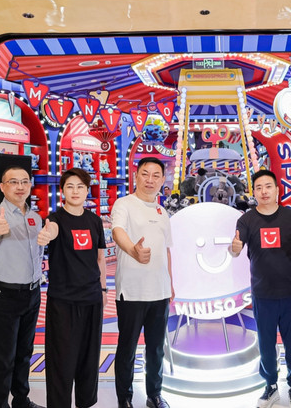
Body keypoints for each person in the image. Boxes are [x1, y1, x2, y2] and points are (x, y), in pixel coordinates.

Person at [230, 169, 291, 408]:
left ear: (277, 190)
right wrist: (234, 248)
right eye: (259, 187)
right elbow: (235, 250)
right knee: (265, 344)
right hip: (262, 293)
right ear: (254, 192)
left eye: (268, 186)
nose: (264, 191)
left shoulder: (289, 216)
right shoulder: (246, 220)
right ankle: (271, 385)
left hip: (290, 293)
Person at [37, 168, 107, 408]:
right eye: (70, 186)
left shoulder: (95, 221)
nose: (75, 191)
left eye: (80, 187)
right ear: (62, 191)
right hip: (63, 301)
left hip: (92, 298)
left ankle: (86, 402)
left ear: (87, 191)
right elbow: (51, 231)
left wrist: (103, 290)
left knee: (89, 358)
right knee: (61, 360)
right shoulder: (55, 219)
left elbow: (100, 258)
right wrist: (46, 235)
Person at [111, 157, 174, 408]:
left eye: (156, 175)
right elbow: (117, 231)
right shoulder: (124, 204)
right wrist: (133, 251)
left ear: (162, 179)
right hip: (132, 291)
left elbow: (167, 250)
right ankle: (124, 398)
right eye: (145, 174)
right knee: (127, 348)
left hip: (159, 292)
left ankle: (154, 394)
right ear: (136, 176)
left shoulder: (162, 211)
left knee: (156, 349)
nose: (150, 180)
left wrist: (170, 284)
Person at [0, 166, 44, 408]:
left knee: (25, 352)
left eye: (24, 181)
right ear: (2, 186)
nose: (20, 187)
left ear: (30, 185)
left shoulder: (36, 217)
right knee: (4, 357)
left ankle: (21, 399)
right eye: (13, 182)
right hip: (5, 294)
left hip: (32, 293)